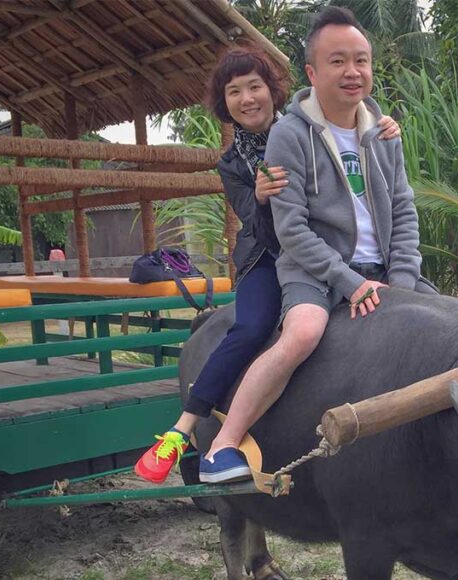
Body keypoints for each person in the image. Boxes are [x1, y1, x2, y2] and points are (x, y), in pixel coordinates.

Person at [134, 45, 401, 483]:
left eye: (254, 86)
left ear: (272, 91)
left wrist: (381, 125)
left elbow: (353, 140)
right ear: (226, 103)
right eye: (234, 91)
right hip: (268, 255)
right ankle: (184, 430)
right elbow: (253, 220)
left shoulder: (305, 131)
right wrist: (258, 197)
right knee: (252, 326)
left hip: (321, 250)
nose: (247, 98)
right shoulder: (232, 162)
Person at [200, 6, 435, 481]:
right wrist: (349, 283)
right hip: (316, 273)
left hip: (387, 270)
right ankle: (223, 445)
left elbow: (405, 211)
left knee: (448, 323)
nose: (353, 72)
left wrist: (404, 282)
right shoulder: (289, 135)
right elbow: (291, 230)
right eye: (338, 61)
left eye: (362, 60)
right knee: (303, 333)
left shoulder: (384, 133)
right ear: (312, 71)